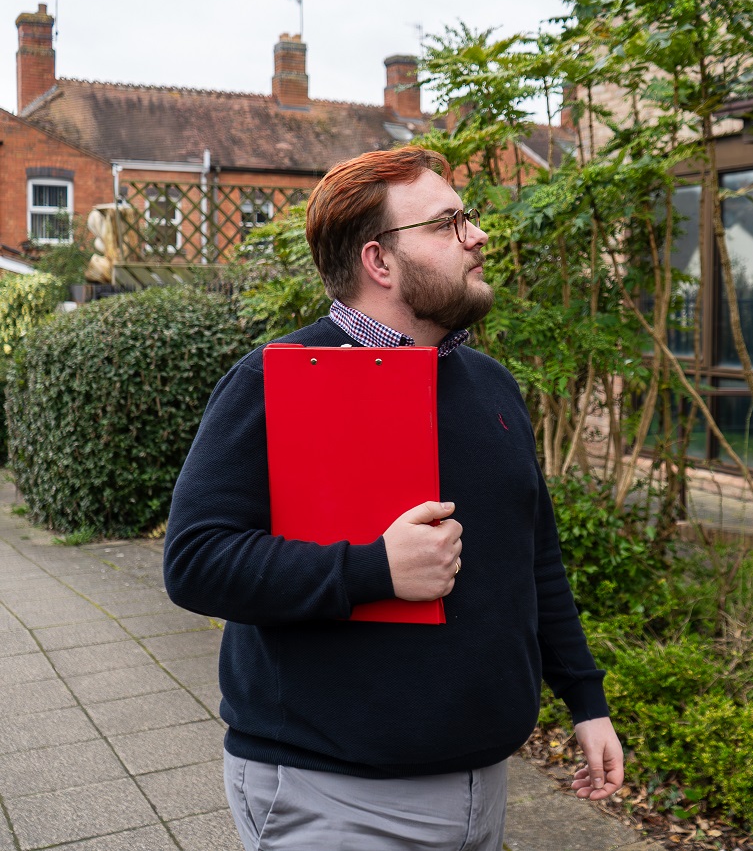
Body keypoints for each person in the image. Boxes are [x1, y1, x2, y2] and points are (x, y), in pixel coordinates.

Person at [163, 146, 623, 850]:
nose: (478, 236)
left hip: (482, 782)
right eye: (446, 224)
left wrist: (584, 701)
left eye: (466, 218)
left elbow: (534, 557)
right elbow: (196, 561)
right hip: (334, 793)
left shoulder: (491, 386)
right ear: (379, 262)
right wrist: (374, 569)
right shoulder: (275, 381)